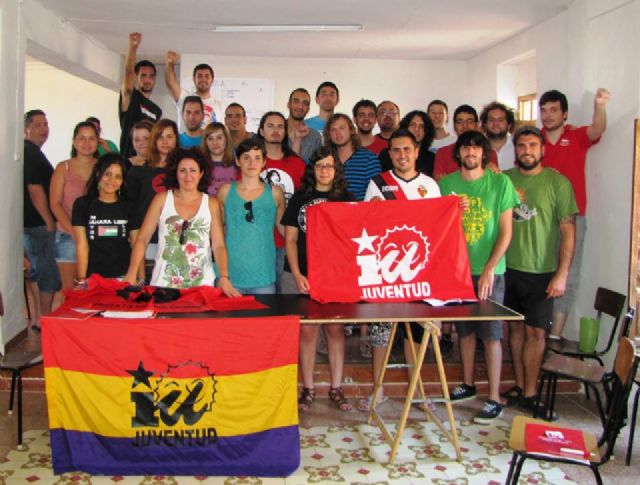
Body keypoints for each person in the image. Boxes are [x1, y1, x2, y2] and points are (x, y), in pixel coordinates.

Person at [439, 131, 520, 423]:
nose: (470, 153)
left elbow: (506, 232)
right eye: (465, 148)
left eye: (476, 148)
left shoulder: (500, 183)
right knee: (465, 333)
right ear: (458, 153)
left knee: (492, 335)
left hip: (491, 272)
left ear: (484, 154)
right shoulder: (446, 185)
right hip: (459, 273)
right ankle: (468, 383)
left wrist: (489, 268)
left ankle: (494, 396)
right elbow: (438, 227)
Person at [360, 128, 441, 411]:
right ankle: (378, 389)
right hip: (387, 269)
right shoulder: (377, 183)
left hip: (420, 270)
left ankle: (416, 390)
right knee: (381, 332)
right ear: (390, 153)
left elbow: (438, 228)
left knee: (416, 333)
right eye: (396, 150)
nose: (402, 155)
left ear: (417, 152)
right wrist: (371, 211)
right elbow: (368, 227)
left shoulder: (430, 186)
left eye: (407, 149)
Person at [501, 126, 577, 414]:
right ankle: (520, 386)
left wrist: (562, 273)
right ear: (515, 149)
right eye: (521, 146)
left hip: (542, 272)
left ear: (542, 149)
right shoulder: (505, 180)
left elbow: (568, 231)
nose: (527, 151)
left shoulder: (558, 183)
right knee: (514, 329)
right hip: (508, 269)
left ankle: (532, 394)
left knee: (536, 333)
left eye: (533, 145)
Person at [282, 146, 354, 412]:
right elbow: (290, 239)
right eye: (320, 165)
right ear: (313, 169)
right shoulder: (300, 198)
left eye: (329, 165)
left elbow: (353, 240)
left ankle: (336, 387)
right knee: (307, 331)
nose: (324, 170)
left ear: (336, 170)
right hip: (302, 274)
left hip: (334, 277)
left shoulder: (347, 198)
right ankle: (308, 388)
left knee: (335, 330)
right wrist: (297, 274)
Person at [538, 88, 611, 337]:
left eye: (553, 110)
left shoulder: (576, 135)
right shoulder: (535, 140)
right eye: (544, 110)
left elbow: (598, 129)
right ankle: (538, 333)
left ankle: (555, 336)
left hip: (573, 216)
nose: (548, 115)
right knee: (540, 274)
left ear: (565, 113)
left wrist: (599, 106)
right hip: (541, 219)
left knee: (568, 274)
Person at [124, 148, 238, 294]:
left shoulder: (212, 204)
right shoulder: (161, 199)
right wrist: (132, 273)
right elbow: (142, 239)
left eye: (193, 170)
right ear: (175, 173)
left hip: (202, 285)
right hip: (163, 284)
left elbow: (219, 245)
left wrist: (224, 277)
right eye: (182, 170)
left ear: (201, 173)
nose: (188, 176)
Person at [217, 138, 285, 294]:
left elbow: (286, 232)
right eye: (246, 157)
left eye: (257, 158)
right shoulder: (225, 192)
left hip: (264, 275)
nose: (251, 163)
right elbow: (216, 232)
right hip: (230, 275)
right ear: (238, 161)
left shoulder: (275, 193)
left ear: (264, 162)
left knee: (265, 312)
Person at [72, 154, 139, 282]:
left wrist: (140, 278)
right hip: (93, 277)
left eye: (118, 176)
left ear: (122, 181)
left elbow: (137, 244)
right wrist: (81, 280)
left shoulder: (130, 207)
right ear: (98, 174)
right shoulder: (82, 204)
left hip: (124, 276)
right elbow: (81, 245)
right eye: (107, 174)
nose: (111, 180)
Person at [49, 121, 99, 291]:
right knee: (70, 290)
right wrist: (74, 230)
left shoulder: (103, 168)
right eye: (82, 138)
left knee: (94, 289)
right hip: (68, 235)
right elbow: (55, 203)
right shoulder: (63, 168)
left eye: (91, 138)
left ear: (98, 141)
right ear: (74, 142)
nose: (87, 143)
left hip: (96, 236)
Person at [126, 119, 178, 277]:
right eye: (160, 137)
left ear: (176, 139)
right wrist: (132, 235)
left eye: (169, 137)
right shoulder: (138, 171)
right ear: (154, 140)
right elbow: (130, 206)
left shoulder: (184, 170)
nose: (165, 142)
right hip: (147, 240)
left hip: (176, 239)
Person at [23, 109, 61, 325]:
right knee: (48, 275)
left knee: (38, 272)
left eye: (45, 124)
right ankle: (46, 320)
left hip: (32, 224)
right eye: (37, 125)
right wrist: (49, 221)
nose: (43, 129)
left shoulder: (31, 152)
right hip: (38, 224)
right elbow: (35, 190)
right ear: (26, 129)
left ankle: (39, 318)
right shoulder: (31, 153)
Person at [119, 33, 162, 157]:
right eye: (143, 75)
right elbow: (128, 72)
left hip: (148, 162)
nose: (147, 79)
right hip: (128, 161)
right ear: (135, 77)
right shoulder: (131, 97)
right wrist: (133, 47)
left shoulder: (157, 110)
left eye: (151, 76)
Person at [433, 105, 499, 182]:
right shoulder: (442, 153)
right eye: (460, 122)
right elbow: (441, 182)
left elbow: (493, 181)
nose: (465, 126)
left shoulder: (489, 152)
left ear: (476, 125)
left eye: (469, 122)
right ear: (454, 126)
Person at [324, 113, 381, 201]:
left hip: (360, 209)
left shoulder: (368, 159)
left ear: (351, 130)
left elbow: (376, 194)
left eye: (341, 128)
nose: (337, 133)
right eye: (333, 130)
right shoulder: (324, 159)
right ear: (329, 134)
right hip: (329, 208)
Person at [165, 51, 221, 130]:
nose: (203, 79)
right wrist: (170, 63)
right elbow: (171, 83)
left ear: (212, 80)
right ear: (194, 79)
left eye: (207, 76)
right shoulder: (185, 97)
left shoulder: (219, 106)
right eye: (199, 76)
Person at [378, 110, 436, 176]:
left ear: (426, 131)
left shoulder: (431, 158)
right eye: (412, 125)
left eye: (421, 126)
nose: (416, 129)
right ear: (405, 127)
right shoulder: (386, 155)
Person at [201, 122, 237, 197]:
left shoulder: (237, 164)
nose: (215, 143)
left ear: (226, 139)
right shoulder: (200, 166)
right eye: (210, 139)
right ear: (205, 142)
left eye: (219, 138)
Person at [287, 88, 322, 162]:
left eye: (305, 103)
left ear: (308, 109)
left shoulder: (315, 137)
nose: (300, 107)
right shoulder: (277, 132)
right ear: (288, 104)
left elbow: (317, 165)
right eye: (296, 101)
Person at [480, 101, 516, 170]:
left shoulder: (517, 145)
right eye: (491, 120)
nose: (495, 123)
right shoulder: (476, 147)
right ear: (485, 125)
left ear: (509, 125)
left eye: (500, 120)